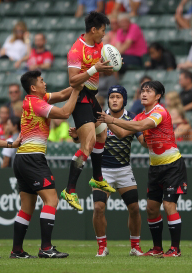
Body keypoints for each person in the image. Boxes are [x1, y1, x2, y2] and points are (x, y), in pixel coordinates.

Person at [98, 81, 187, 257]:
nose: (144, 94)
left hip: (172, 166)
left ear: (158, 96)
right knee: (152, 209)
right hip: (155, 167)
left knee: (169, 205)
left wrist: (112, 119)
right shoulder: (139, 116)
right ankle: (157, 249)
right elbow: (123, 133)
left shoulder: (159, 112)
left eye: (149, 91)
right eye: (143, 91)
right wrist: (105, 121)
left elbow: (140, 127)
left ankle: (175, 249)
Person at [10, 70, 83, 259]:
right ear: (34, 87)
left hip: (22, 158)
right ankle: (46, 248)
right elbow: (66, 113)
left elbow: (61, 95)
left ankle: (16, 251)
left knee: (26, 207)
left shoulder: (34, 99)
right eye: (42, 81)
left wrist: (79, 82)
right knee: (52, 200)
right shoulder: (37, 103)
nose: (45, 83)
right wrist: (77, 91)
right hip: (33, 158)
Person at [69, 85, 147, 257]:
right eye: (112, 97)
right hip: (103, 171)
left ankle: (135, 246)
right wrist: (77, 136)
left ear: (124, 100)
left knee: (134, 208)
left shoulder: (131, 118)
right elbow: (87, 141)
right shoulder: (97, 116)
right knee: (98, 207)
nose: (114, 100)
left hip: (124, 169)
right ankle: (102, 246)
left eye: (118, 97)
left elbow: (137, 139)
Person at [60, 11, 116, 212]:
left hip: (92, 97)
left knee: (102, 134)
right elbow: (73, 80)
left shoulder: (101, 47)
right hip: (81, 96)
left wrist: (111, 66)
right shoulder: (76, 50)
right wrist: (94, 69)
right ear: (93, 30)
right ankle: (69, 190)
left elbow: (105, 69)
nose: (104, 34)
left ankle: (98, 178)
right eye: (102, 30)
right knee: (89, 142)